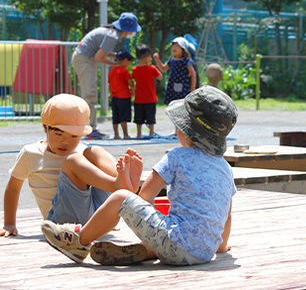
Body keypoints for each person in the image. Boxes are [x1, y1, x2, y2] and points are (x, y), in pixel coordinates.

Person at [41, 86, 238, 266]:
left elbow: (145, 196)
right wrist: (220, 248)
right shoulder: (225, 167)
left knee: (120, 197)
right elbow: (226, 215)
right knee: (170, 232)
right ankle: (149, 250)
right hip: (204, 252)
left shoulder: (176, 156)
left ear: (186, 132)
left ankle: (79, 242)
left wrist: (147, 227)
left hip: (175, 243)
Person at [0, 94, 142, 238]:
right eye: (59, 133)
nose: (65, 142)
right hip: (60, 223)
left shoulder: (82, 150)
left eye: (74, 136)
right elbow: (13, 188)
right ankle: (119, 187)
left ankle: (125, 185)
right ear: (45, 128)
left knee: (94, 151)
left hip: (96, 216)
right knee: (72, 161)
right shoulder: (31, 153)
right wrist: (9, 224)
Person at [72, 12, 142, 139]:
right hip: (85, 59)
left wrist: (115, 56)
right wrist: (116, 64)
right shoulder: (113, 36)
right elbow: (98, 57)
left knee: (89, 95)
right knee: (90, 96)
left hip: (83, 58)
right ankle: (90, 130)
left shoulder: (110, 32)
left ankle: (91, 127)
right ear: (127, 29)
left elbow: (100, 52)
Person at [153, 37, 197, 105]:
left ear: (183, 49)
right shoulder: (171, 60)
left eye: (177, 46)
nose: (174, 48)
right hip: (171, 88)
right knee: (172, 105)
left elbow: (193, 75)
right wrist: (157, 60)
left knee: (182, 105)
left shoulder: (186, 61)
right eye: (173, 46)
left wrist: (192, 90)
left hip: (183, 89)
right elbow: (163, 68)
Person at [132, 44, 163, 138]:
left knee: (138, 118)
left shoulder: (134, 69)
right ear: (146, 57)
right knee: (151, 118)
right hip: (150, 98)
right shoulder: (152, 68)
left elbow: (133, 81)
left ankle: (138, 133)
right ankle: (151, 133)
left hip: (138, 98)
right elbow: (160, 77)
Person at [108, 49, 134, 139]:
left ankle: (116, 134)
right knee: (123, 116)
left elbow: (110, 83)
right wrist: (133, 89)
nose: (129, 63)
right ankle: (125, 134)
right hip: (124, 96)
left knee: (115, 116)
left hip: (114, 97)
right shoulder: (124, 71)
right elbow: (130, 82)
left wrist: (111, 94)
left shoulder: (111, 70)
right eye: (129, 61)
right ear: (125, 60)